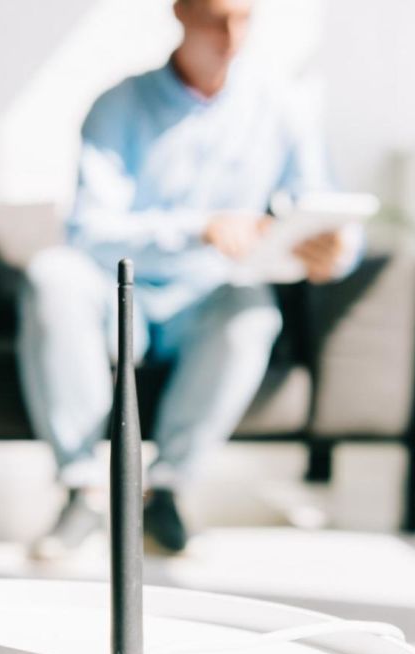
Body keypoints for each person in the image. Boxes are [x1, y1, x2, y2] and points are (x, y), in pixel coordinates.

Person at [19, 0, 361, 559]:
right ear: (180, 13)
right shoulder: (117, 106)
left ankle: (165, 491)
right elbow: (87, 232)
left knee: (252, 311)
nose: (231, 37)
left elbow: (323, 210)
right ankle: (84, 490)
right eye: (216, 19)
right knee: (52, 273)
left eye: (244, 20)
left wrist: (334, 252)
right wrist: (200, 229)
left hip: (205, 303)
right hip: (116, 295)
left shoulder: (282, 108)